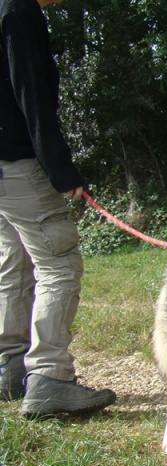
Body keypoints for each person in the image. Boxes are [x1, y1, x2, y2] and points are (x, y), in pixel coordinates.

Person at [0, 0, 116, 416]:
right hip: (19, 166)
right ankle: (49, 376)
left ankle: (10, 369)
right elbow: (31, 92)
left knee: (14, 263)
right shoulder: (19, 11)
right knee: (57, 266)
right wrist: (61, 170)